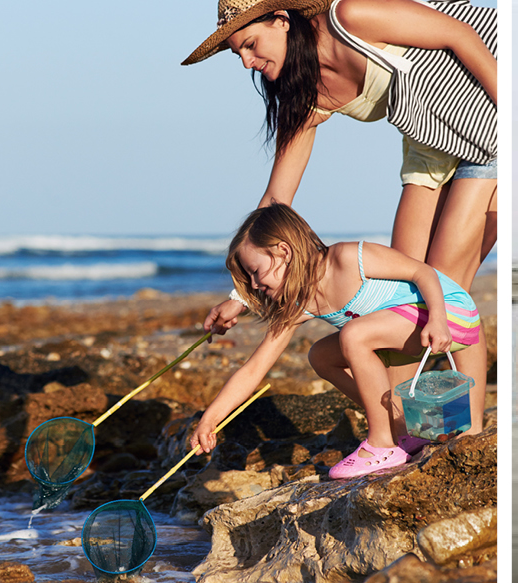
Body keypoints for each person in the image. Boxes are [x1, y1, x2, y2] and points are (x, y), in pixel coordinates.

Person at [186, 0, 498, 408]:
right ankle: (401, 427)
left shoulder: (348, 17)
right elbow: (276, 202)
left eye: (250, 44)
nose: (246, 62)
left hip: (489, 116)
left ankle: (462, 428)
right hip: (432, 141)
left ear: (281, 20)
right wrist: (241, 296)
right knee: (396, 297)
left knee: (443, 287)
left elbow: (462, 35)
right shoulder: (302, 94)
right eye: (237, 54)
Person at [189, 205, 481, 479]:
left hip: (450, 314)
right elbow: (254, 369)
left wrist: (439, 320)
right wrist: (210, 419)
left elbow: (423, 272)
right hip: (404, 334)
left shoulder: (348, 258)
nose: (253, 284)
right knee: (320, 355)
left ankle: (381, 444)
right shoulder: (299, 306)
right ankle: (400, 426)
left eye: (256, 271)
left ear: (283, 251)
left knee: (353, 335)